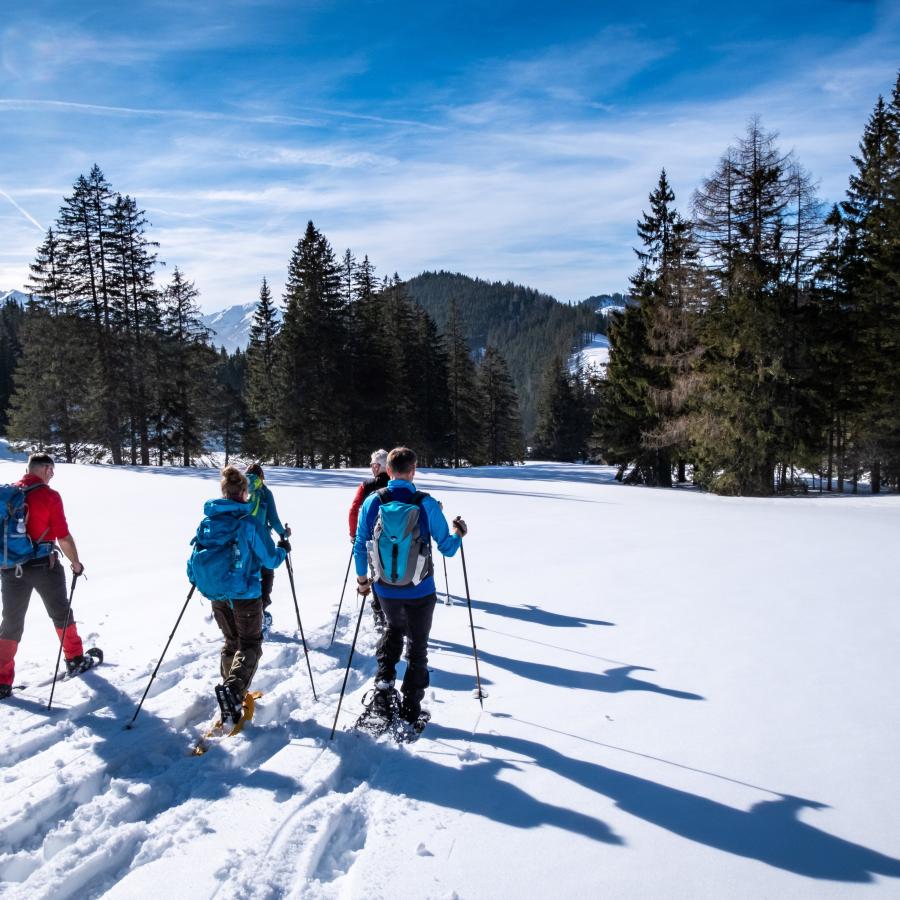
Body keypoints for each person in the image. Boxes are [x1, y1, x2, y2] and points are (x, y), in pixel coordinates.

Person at [353, 446, 467, 725]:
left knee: (393, 631)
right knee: (417, 645)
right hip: (421, 588)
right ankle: (411, 708)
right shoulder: (425, 503)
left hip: (385, 588)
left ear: (388, 470)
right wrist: (459, 533)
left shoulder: (373, 501)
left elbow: (360, 546)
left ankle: (383, 691)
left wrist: (363, 580)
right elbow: (448, 549)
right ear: (413, 471)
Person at [191, 465, 289, 722]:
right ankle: (233, 691)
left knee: (231, 643)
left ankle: (229, 693)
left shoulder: (208, 522)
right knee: (250, 645)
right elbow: (269, 560)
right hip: (244, 593)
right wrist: (283, 549)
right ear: (244, 492)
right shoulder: (249, 523)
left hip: (217, 593)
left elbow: (195, 558)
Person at [0, 453, 94, 699]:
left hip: (10, 568)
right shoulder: (49, 496)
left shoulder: (9, 494)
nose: (52, 474)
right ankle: (74, 659)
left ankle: (1, 681)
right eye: (51, 469)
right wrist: (75, 562)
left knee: (10, 623)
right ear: (44, 469)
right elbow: (62, 535)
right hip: (44, 565)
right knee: (61, 613)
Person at [245, 463, 290, 637]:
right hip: (260, 540)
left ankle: (243, 613)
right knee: (267, 572)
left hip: (240, 543)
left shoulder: (239, 489)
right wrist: (284, 534)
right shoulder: (264, 492)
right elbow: (274, 519)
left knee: (246, 575)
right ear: (261, 476)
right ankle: (261, 611)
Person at [348, 449, 389, 630]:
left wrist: (353, 534)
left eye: (372, 465)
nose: (371, 468)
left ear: (377, 466)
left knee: (376, 572)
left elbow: (354, 510)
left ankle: (379, 611)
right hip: (398, 539)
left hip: (372, 539)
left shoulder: (366, 486)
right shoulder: (399, 483)